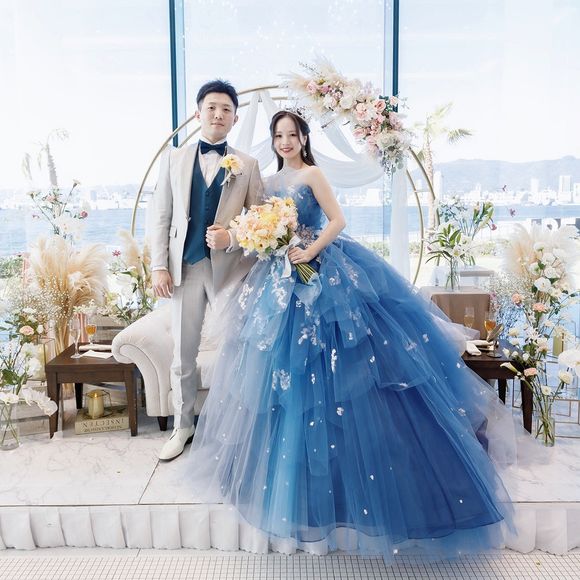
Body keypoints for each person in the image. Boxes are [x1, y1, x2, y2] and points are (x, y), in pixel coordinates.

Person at [185, 110, 519, 561]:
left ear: (304, 138)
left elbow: (337, 220)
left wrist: (309, 250)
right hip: (278, 277)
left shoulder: (312, 174)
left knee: (346, 369)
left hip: (321, 267)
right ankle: (294, 487)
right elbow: (257, 226)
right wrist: (254, 240)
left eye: (292, 134)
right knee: (284, 376)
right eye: (279, 135)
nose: (285, 141)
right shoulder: (268, 180)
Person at [150, 79, 263, 461]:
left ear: (235, 119)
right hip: (184, 268)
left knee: (240, 349)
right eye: (211, 108)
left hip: (230, 272)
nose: (218, 114)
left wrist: (231, 237)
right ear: (198, 114)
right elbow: (161, 217)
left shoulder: (247, 165)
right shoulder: (173, 159)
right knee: (183, 353)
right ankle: (183, 426)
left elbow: (261, 224)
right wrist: (159, 267)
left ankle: (240, 426)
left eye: (226, 109)